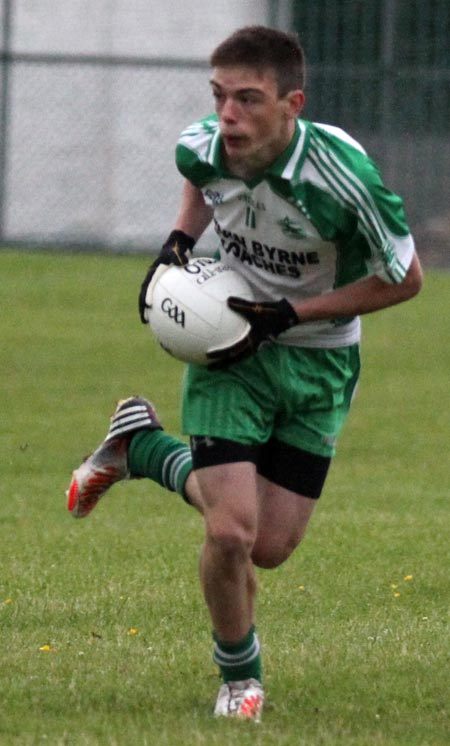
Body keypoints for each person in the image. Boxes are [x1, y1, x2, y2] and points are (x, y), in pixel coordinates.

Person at [67, 26, 423, 721]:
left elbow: (405, 280)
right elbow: (199, 181)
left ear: (292, 104)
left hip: (320, 361)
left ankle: (141, 446)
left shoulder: (342, 176)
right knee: (230, 532)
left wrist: (290, 315)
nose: (227, 115)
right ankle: (239, 679)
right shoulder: (203, 143)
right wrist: (177, 242)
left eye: (247, 100)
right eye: (219, 96)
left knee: (268, 546)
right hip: (232, 352)